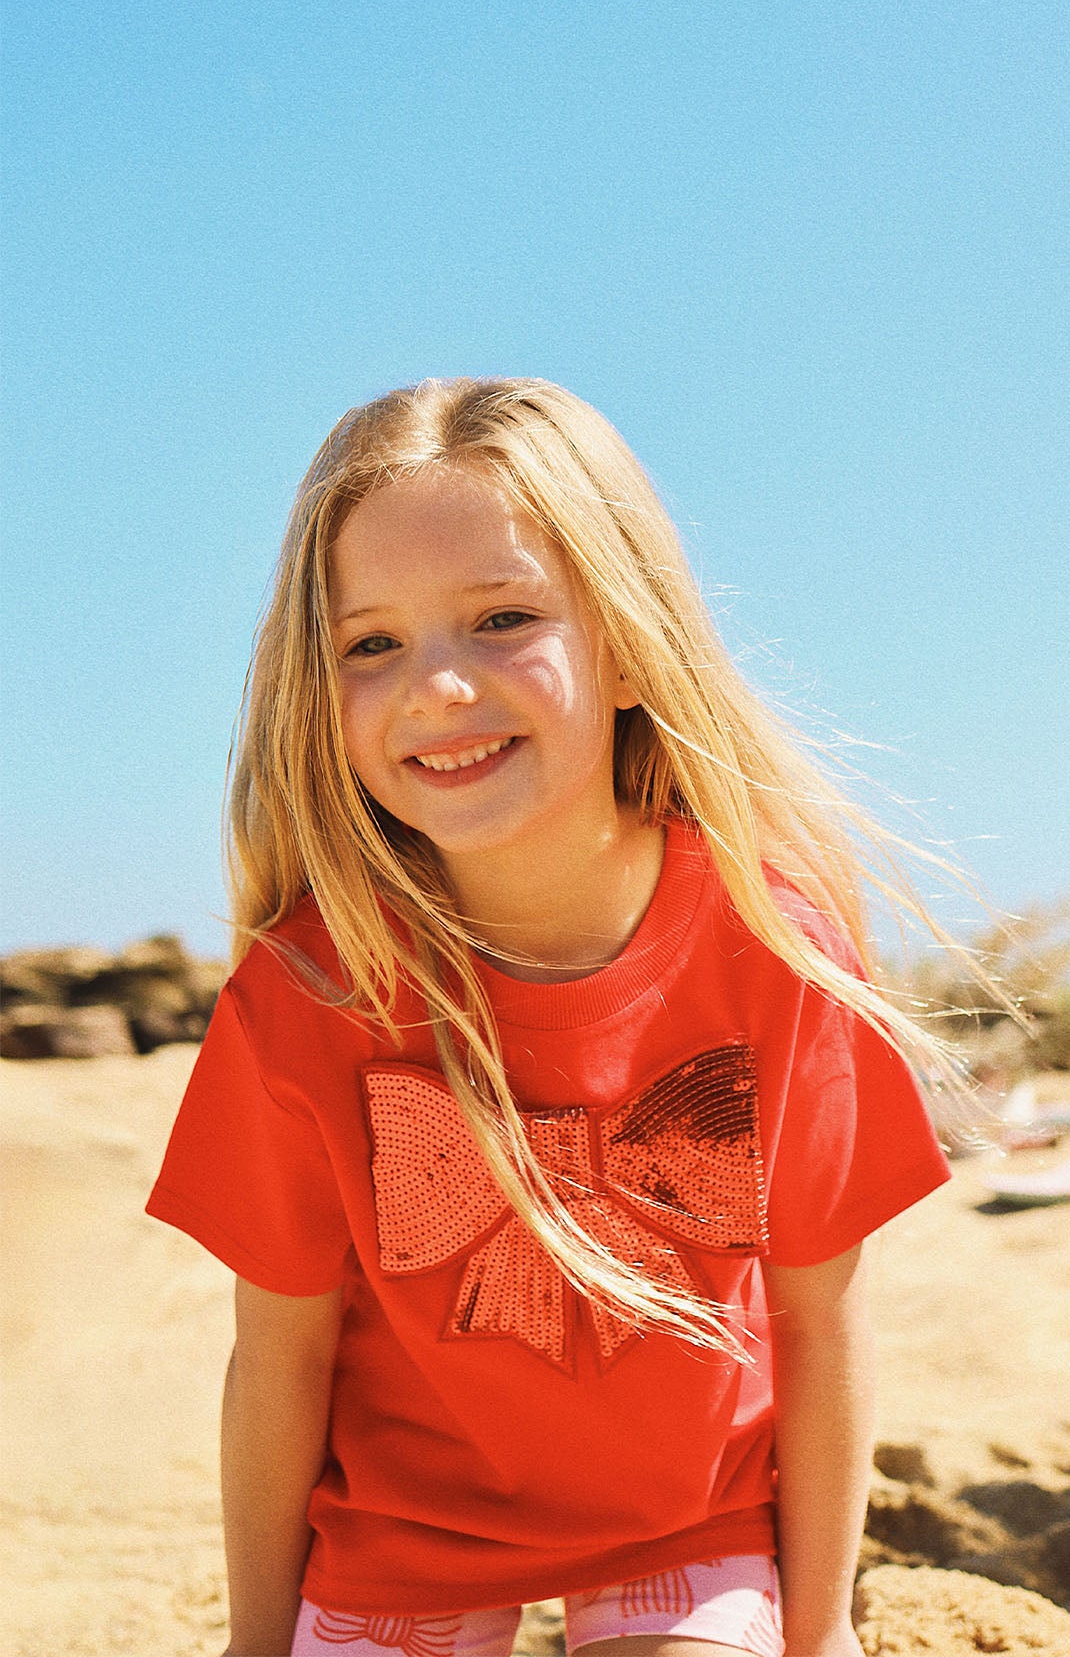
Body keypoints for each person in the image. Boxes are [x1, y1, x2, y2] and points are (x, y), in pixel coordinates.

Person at [147, 378, 959, 1657]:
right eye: (373, 643)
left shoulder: (773, 952)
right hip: (404, 1535)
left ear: (630, 647)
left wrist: (822, 1633)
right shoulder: (308, 990)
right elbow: (279, 1357)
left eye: (501, 618)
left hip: (682, 1524)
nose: (439, 687)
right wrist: (256, 1642)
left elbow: (820, 1317)